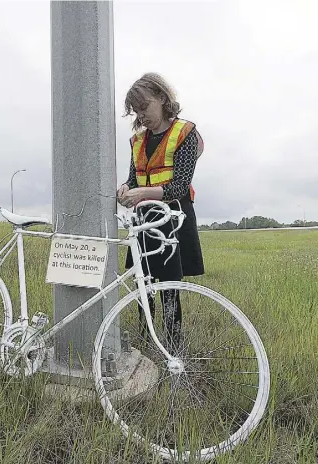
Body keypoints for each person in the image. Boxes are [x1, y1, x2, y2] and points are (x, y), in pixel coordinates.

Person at [117, 72, 204, 350]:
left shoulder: (185, 132)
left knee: (168, 287)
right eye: (136, 111)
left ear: (163, 99)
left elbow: (180, 185)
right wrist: (125, 188)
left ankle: (173, 346)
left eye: (145, 107)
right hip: (144, 220)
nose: (141, 116)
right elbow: (134, 178)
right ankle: (145, 340)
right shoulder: (137, 141)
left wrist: (142, 193)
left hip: (173, 218)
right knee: (144, 286)